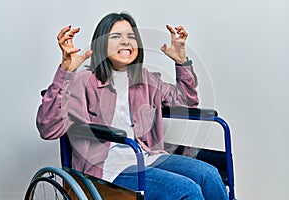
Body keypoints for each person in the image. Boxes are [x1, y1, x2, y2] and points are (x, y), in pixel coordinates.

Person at [36, 12, 228, 200]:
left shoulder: (147, 79)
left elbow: (187, 104)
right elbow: (48, 128)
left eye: (131, 37)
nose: (126, 42)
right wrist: (66, 72)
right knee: (185, 189)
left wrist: (181, 63)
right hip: (106, 167)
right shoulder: (83, 81)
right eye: (116, 37)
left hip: (147, 156)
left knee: (209, 175)